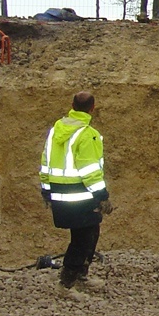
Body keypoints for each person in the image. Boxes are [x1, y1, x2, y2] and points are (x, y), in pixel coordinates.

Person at [39, 91, 112, 292]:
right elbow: (89, 171)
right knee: (85, 237)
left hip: (60, 194)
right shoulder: (87, 135)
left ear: (72, 105)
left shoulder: (56, 130)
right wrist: (102, 196)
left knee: (83, 233)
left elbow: (46, 161)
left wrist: (46, 190)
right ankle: (68, 282)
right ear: (92, 108)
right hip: (80, 195)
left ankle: (79, 276)